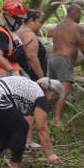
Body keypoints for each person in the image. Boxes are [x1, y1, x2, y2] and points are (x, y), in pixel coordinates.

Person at [0, 76, 63, 168]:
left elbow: (26, 116)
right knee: (21, 127)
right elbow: (42, 128)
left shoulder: (32, 90)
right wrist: (51, 154)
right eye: (55, 100)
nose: (52, 104)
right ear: (53, 94)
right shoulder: (41, 97)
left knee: (4, 132)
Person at [48, 4, 84, 126]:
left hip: (52, 60)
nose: (81, 17)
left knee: (53, 92)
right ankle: (57, 119)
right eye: (80, 15)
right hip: (63, 60)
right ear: (76, 13)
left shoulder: (58, 26)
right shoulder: (76, 27)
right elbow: (83, 46)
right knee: (64, 90)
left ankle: (42, 115)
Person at [16, 9, 48, 149]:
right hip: (30, 77)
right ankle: (27, 141)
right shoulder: (29, 35)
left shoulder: (18, 32)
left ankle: (21, 139)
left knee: (23, 108)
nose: (40, 25)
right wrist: (42, 78)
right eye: (39, 21)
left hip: (20, 75)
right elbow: (32, 58)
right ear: (31, 20)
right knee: (29, 109)